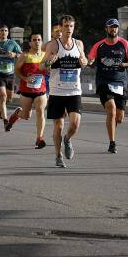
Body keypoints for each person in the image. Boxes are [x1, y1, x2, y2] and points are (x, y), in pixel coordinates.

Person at [40, 15, 88, 168]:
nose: (69, 29)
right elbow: (42, 66)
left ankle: (67, 139)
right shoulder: (53, 45)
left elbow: (84, 61)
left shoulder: (78, 44)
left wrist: (84, 62)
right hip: (57, 91)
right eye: (66, 26)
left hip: (74, 91)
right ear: (60, 28)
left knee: (74, 123)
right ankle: (57, 154)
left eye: (71, 26)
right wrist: (49, 62)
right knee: (58, 126)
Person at [88, 18, 128, 154]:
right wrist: (90, 61)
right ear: (106, 29)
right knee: (111, 109)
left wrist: (124, 64)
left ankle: (112, 128)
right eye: (111, 27)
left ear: (118, 29)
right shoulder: (99, 45)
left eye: (115, 27)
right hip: (104, 82)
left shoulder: (124, 44)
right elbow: (90, 59)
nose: (113, 29)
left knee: (119, 117)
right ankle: (112, 143)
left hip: (120, 83)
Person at [10, 33, 49, 148]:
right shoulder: (25, 56)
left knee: (40, 112)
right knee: (26, 116)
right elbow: (16, 70)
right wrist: (25, 78)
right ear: (30, 42)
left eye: (39, 40)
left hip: (41, 90)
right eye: (34, 40)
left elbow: (47, 70)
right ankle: (17, 114)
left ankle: (39, 138)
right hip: (26, 90)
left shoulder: (45, 55)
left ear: (42, 42)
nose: (37, 42)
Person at [0, 24, 22, 128]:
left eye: (5, 31)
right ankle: (6, 120)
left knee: (9, 98)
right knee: (2, 96)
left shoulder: (12, 43)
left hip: (10, 74)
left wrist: (15, 55)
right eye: (1, 30)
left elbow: (22, 55)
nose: (3, 32)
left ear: (8, 33)